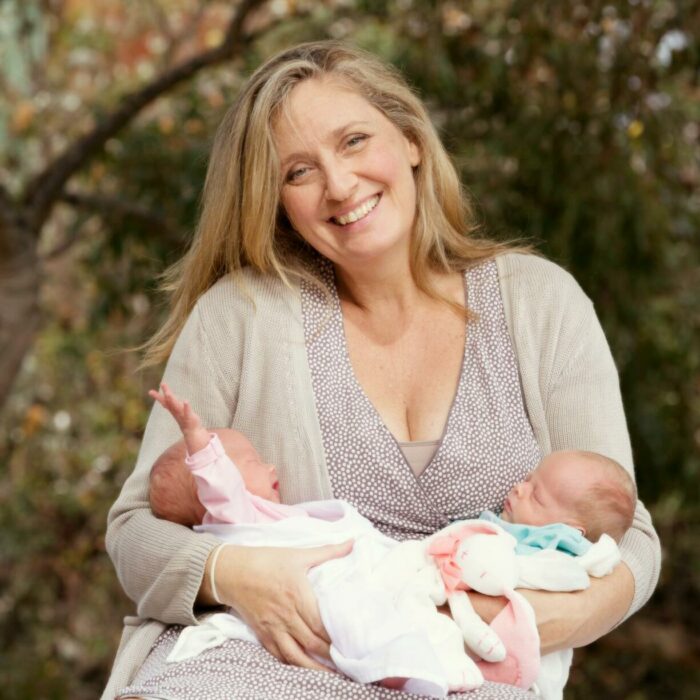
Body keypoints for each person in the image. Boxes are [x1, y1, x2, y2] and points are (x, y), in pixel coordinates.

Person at [102, 40, 661, 700]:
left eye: (355, 141)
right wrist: (234, 573)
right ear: (275, 200)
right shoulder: (242, 316)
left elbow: (632, 539)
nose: (339, 186)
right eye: (298, 172)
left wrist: (551, 616)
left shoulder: (541, 304)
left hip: (461, 675)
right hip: (267, 660)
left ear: (412, 141)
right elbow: (135, 531)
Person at [138, 383, 633, 699]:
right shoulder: (235, 516)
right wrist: (200, 445)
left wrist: (576, 605)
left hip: (437, 597)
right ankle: (406, 664)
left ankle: (418, 659)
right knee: (358, 622)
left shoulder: (538, 298)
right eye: (248, 464)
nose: (270, 467)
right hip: (314, 597)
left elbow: (632, 544)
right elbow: (177, 505)